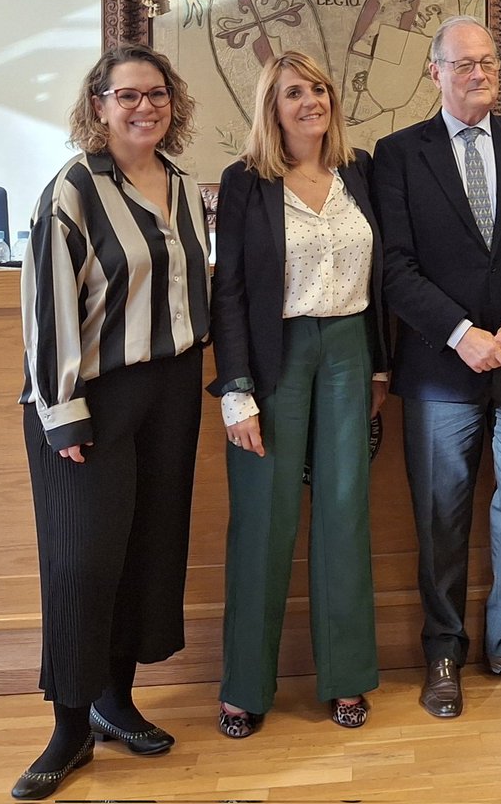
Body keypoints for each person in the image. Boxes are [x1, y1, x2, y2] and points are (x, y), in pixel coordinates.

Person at [14, 44, 209, 800]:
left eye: (155, 94)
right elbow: (47, 307)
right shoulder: (72, 188)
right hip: (89, 401)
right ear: (98, 105)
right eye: (126, 95)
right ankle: (67, 731)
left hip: (169, 393)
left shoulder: (183, 186)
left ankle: (114, 702)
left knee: (144, 552)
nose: (143, 107)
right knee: (82, 563)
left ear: (172, 102)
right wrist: (63, 414)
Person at [372, 16, 501, 719]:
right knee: (441, 515)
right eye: (463, 64)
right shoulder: (398, 154)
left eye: (487, 61)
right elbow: (394, 266)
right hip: (441, 367)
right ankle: (443, 650)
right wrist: (461, 334)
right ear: (435, 73)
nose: (479, 73)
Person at [209, 51, 388, 737]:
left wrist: (378, 368)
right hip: (273, 357)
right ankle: (244, 686)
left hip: (348, 348)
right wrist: (236, 392)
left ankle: (346, 675)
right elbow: (229, 293)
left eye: (319, 88)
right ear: (272, 107)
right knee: (265, 518)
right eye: (293, 92)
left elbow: (381, 278)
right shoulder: (245, 181)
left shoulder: (359, 171)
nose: (310, 101)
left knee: (344, 513)